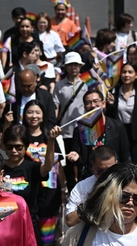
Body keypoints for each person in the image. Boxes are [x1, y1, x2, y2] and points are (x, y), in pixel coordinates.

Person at [20, 101, 65, 246]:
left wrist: (63, 188)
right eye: (30, 112)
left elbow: (59, 163)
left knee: (47, 228)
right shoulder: (20, 135)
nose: (34, 116)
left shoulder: (51, 134)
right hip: (29, 189)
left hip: (50, 189)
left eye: (37, 112)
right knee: (29, 228)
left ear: (43, 115)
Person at [1, 124, 59, 234]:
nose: (14, 151)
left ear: (26, 147)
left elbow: (47, 166)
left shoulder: (32, 168)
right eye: (9, 147)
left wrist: (51, 140)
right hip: (3, 225)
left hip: (28, 225)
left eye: (18, 147)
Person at [70, 90, 131, 180]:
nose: (93, 105)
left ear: (103, 103)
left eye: (96, 101)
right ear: (85, 107)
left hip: (113, 176)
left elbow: (125, 156)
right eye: (88, 103)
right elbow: (80, 157)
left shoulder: (117, 126)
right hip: (91, 177)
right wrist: (76, 157)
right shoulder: (80, 130)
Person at [105, 61, 137, 172]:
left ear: (136, 75)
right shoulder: (114, 93)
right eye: (124, 72)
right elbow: (110, 117)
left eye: (130, 72)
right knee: (121, 165)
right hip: (120, 133)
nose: (127, 75)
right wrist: (111, 105)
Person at [53, 51, 88, 190]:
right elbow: (56, 106)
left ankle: (82, 190)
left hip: (83, 130)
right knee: (66, 162)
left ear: (80, 66)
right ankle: (72, 189)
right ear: (65, 67)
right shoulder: (59, 85)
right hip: (65, 130)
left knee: (82, 161)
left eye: (76, 64)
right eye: (70, 65)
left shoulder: (87, 83)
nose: (73, 67)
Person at [65, 145, 118, 227]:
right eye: (100, 171)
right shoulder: (81, 188)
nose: (106, 176)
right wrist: (93, 203)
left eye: (110, 171)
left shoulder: (126, 185)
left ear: (116, 164)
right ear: (92, 166)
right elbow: (70, 221)